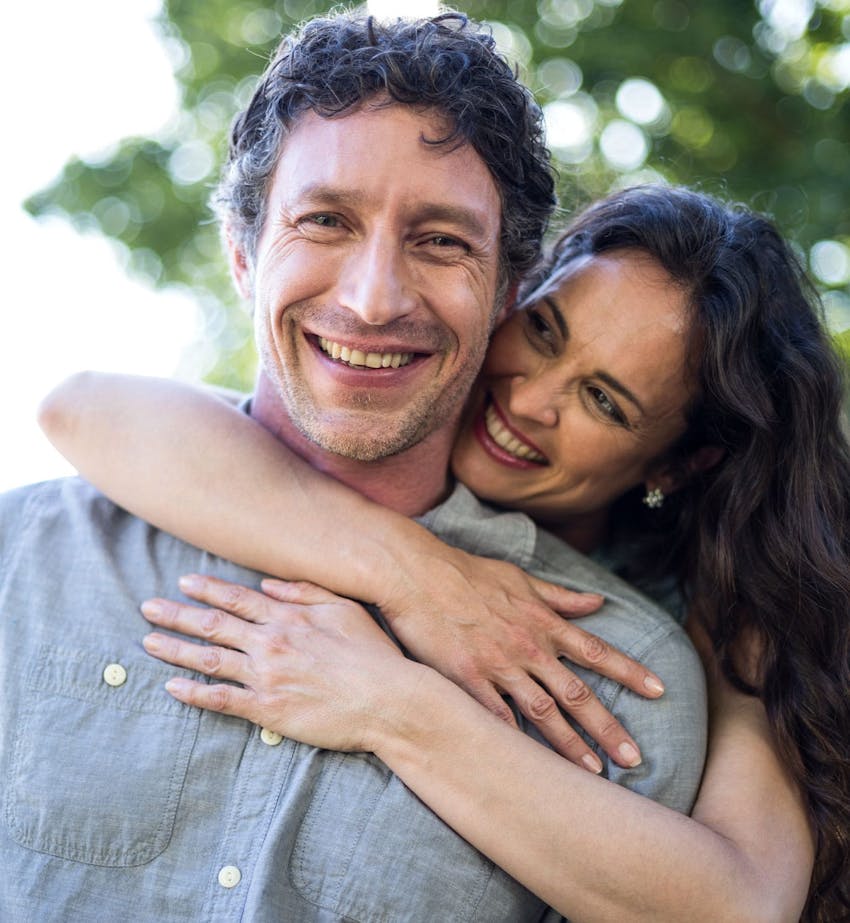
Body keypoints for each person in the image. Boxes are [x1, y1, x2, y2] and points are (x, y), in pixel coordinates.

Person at [0, 12, 708, 923]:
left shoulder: (615, 678)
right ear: (243, 252)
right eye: (326, 219)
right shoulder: (24, 557)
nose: (374, 298)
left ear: (506, 292)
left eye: (442, 240)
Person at [41, 185, 850, 922]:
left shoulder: (710, 621)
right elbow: (84, 408)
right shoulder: (354, 454)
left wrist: (392, 706)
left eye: (603, 400)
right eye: (543, 328)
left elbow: (739, 907)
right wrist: (418, 577)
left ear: (675, 465)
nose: (530, 400)